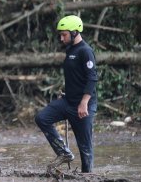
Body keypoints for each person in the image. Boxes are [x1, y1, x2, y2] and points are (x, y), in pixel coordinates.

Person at [35, 15, 98, 173]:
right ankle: (64, 152)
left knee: (86, 150)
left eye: (64, 34)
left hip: (83, 106)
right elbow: (75, 76)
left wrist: (84, 103)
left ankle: (88, 178)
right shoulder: (70, 50)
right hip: (68, 101)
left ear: (75, 32)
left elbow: (92, 79)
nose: (61, 38)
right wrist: (66, 92)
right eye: (61, 35)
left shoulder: (86, 51)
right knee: (42, 118)